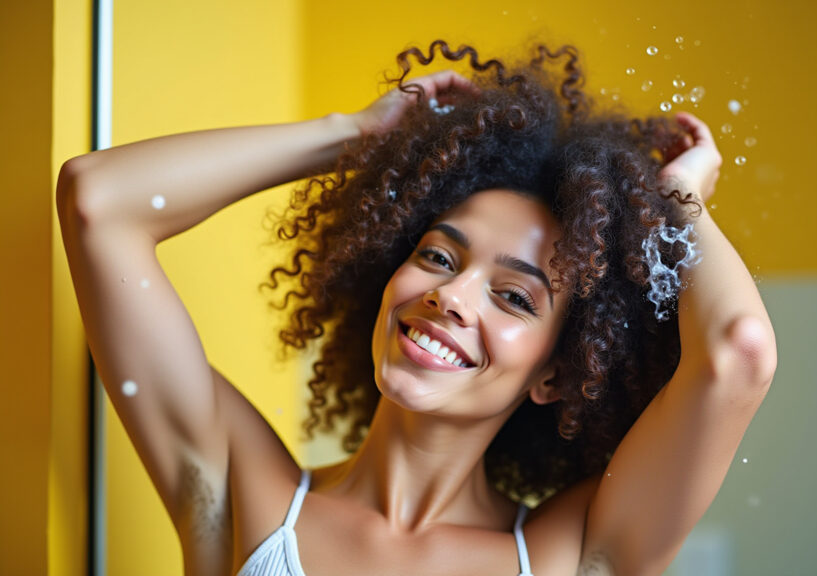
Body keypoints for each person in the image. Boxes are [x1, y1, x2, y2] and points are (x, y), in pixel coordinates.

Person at [56, 40, 776, 576]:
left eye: (514, 297)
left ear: (554, 374)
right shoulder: (243, 492)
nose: (449, 296)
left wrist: (675, 206)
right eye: (438, 256)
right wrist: (359, 137)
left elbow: (740, 353)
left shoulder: (576, 552)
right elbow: (99, 202)